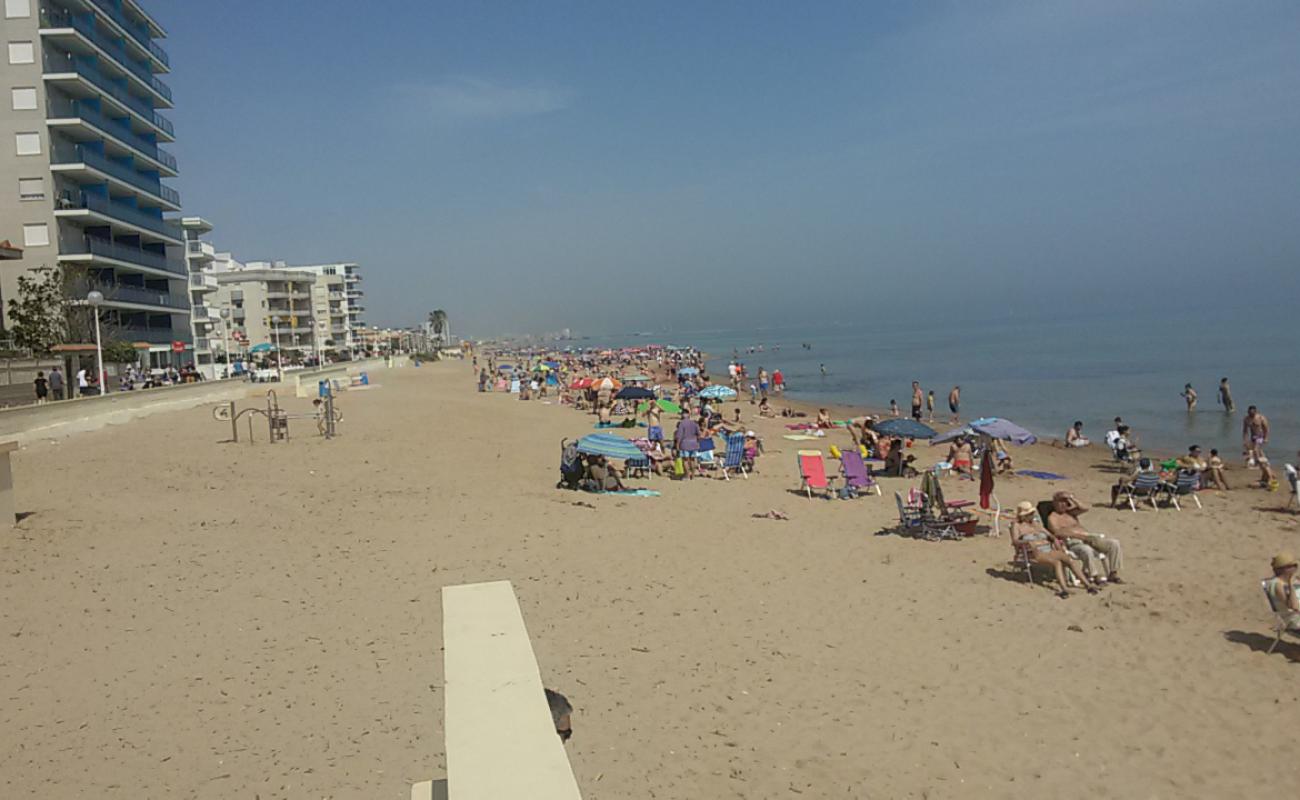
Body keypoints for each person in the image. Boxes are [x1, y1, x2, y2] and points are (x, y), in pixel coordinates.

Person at [1010, 501, 1097, 598]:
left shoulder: (1036, 524)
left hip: (1048, 548)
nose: (1032, 515)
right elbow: (1015, 541)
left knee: (1069, 560)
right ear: (1023, 516)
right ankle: (1064, 588)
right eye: (1029, 514)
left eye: (1032, 513)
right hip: (1035, 551)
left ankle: (1087, 585)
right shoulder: (1017, 526)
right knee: (1057, 563)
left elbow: (1049, 535)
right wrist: (1026, 542)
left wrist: (1054, 539)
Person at [1048, 491, 1125, 584]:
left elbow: (1085, 508)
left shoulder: (1071, 513)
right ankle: (1094, 575)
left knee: (1114, 543)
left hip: (1089, 537)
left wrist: (1071, 497)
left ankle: (1113, 573)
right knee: (1086, 550)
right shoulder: (1052, 517)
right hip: (1073, 542)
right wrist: (1076, 535)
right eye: (1061, 501)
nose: (1063, 504)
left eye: (1065, 501)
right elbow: (1057, 532)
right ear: (1054, 503)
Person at [1242, 405, 1276, 487]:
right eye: (1250, 413)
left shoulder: (1261, 418)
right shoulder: (1246, 419)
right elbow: (1245, 431)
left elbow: (1266, 428)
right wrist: (1245, 441)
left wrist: (1266, 438)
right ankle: (1268, 470)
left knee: (1256, 451)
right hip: (1253, 438)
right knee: (1259, 453)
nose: (1251, 414)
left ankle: (1260, 464)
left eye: (1252, 413)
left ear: (1255, 412)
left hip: (1260, 437)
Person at [674, 411, 701, 480]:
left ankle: (687, 475)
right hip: (694, 443)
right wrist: (697, 441)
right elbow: (699, 434)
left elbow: (679, 436)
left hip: (685, 443)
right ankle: (693, 476)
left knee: (685, 460)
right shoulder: (694, 423)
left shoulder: (682, 424)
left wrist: (677, 445)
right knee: (692, 460)